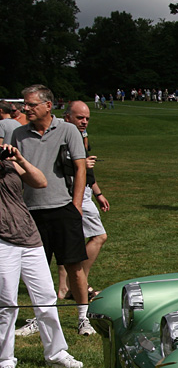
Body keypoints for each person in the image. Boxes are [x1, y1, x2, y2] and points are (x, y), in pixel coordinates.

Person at [8, 84, 95, 337]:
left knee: (74, 266)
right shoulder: (18, 134)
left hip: (63, 208)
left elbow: (81, 168)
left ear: (48, 105)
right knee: (37, 271)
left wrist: (76, 206)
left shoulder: (67, 130)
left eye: (31, 104)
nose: (26, 108)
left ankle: (83, 317)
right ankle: (40, 316)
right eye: (25, 104)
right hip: (31, 212)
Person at [0, 144, 84, 368]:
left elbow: (40, 181)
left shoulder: (8, 163)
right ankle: (5, 360)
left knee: (46, 296)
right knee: (7, 302)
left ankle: (57, 353)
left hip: (28, 236)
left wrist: (19, 159)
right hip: (3, 241)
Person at [58, 101, 109, 302]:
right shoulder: (61, 135)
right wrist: (78, 165)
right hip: (71, 193)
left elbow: (87, 170)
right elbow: (55, 166)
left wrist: (98, 193)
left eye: (87, 118)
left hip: (84, 191)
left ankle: (67, 286)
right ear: (67, 116)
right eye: (80, 118)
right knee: (99, 236)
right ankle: (78, 283)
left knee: (69, 242)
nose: (84, 122)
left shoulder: (80, 136)